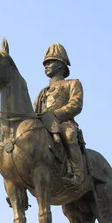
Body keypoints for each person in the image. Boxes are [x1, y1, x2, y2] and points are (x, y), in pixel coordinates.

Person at [34, 43, 85, 186]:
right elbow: (34, 111)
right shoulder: (43, 92)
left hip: (63, 123)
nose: (46, 65)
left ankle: (78, 175)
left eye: (50, 62)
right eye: (45, 63)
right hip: (43, 124)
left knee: (69, 136)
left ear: (61, 65)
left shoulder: (73, 83)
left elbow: (76, 104)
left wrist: (54, 115)